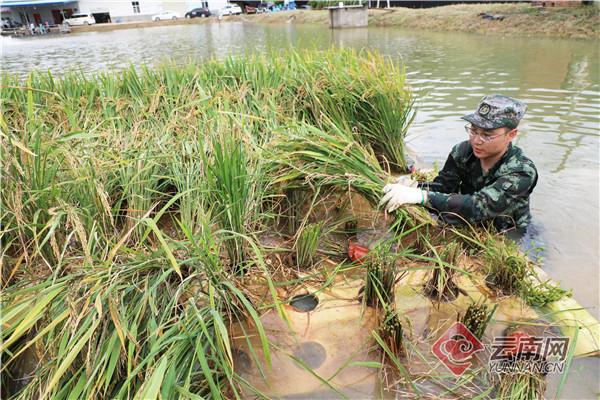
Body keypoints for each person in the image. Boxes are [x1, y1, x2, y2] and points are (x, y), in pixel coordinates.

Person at [380, 94, 538, 234]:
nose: (477, 140)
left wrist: (420, 196)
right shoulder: (463, 151)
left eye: (487, 135)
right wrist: (413, 187)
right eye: (474, 130)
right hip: (469, 222)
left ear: (511, 134)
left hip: (510, 231)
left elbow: (478, 206)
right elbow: (443, 187)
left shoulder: (522, 171)